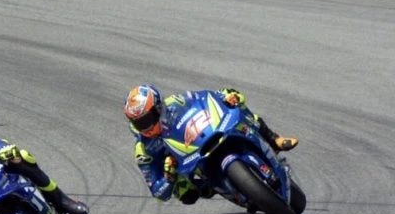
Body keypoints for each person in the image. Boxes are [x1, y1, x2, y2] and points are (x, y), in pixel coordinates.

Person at [124, 84, 300, 204]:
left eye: (146, 120)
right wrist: (168, 177)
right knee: (186, 194)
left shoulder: (175, 102)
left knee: (236, 105)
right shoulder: (143, 150)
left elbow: (203, 98)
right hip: (183, 166)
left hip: (200, 139)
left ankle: (273, 139)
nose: (145, 127)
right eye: (138, 123)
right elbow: (157, 192)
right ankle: (210, 186)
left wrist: (225, 96)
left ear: (158, 108)